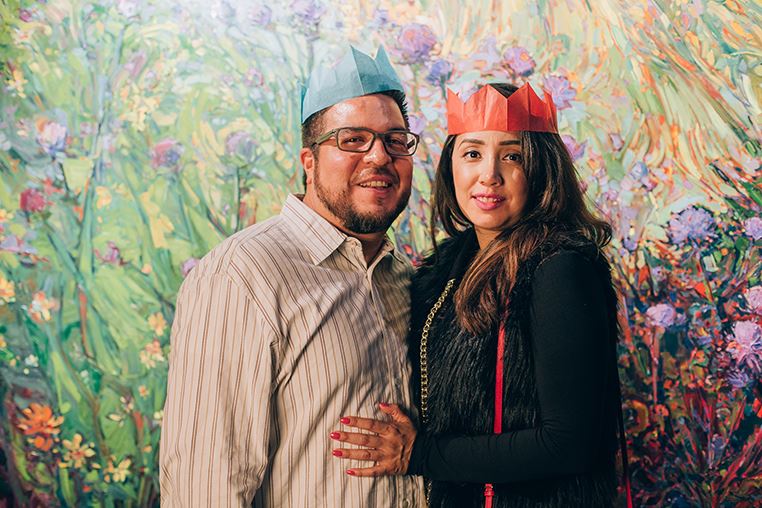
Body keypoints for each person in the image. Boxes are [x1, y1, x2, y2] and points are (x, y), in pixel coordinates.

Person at [330, 83, 627, 507]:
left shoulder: (560, 269)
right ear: (452, 166)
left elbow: (569, 443)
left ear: (541, 169)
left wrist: (420, 453)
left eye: (512, 155)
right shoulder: (444, 269)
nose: (489, 174)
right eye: (472, 153)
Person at [160, 46, 425, 507]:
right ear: (309, 160)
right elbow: (205, 484)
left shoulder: (407, 279)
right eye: (352, 139)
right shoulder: (242, 276)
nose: (379, 157)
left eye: (395, 139)